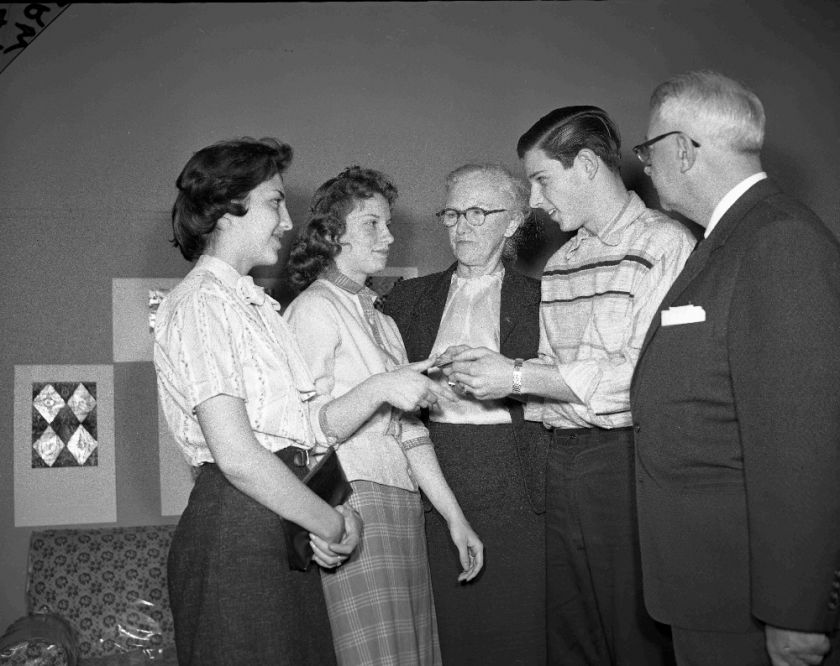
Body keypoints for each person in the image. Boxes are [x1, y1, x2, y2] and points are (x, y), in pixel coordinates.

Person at [154, 139, 430, 665]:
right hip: (238, 529)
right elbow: (237, 455)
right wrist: (330, 523)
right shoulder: (200, 303)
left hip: (282, 515)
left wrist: (378, 389)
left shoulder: (255, 307)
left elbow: (309, 428)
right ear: (229, 208)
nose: (286, 220)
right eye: (274, 202)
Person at [442, 107, 696, 665]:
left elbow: (645, 380)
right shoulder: (560, 264)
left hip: (626, 462)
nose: (533, 201)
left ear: (585, 165)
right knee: (571, 637)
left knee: (636, 636)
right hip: (560, 462)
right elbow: (549, 378)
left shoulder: (665, 246)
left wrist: (514, 375)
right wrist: (494, 375)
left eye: (541, 180)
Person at [630, 70, 840, 666]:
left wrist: (795, 611)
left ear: (683, 149)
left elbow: (803, 445)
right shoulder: (731, 240)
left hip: (753, 607)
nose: (645, 164)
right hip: (712, 593)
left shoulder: (779, 243)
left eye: (649, 149)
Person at [284, 166, 484, 666]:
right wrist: (380, 387)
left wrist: (455, 518)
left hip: (399, 503)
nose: (389, 236)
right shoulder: (313, 310)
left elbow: (410, 435)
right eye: (373, 223)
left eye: (387, 223)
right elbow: (303, 432)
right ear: (333, 234)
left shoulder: (381, 319)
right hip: (348, 500)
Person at [382, 163, 548, 666]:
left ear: (514, 222)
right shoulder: (409, 299)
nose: (462, 226)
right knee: (447, 631)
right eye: (452, 213)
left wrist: (511, 380)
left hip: (517, 480)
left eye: (478, 212)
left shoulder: (543, 299)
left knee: (519, 629)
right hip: (432, 476)